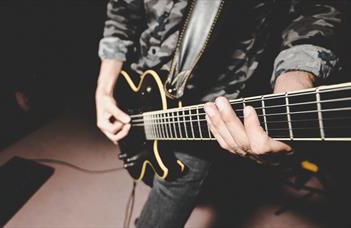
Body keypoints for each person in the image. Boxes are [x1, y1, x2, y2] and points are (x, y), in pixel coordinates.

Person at [96, 0, 343, 227]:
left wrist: (294, 87)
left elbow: (314, 12)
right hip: (139, 86)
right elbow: (121, 14)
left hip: (208, 111)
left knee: (166, 204)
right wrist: (104, 91)